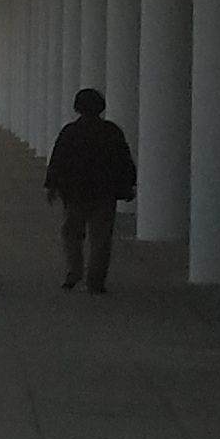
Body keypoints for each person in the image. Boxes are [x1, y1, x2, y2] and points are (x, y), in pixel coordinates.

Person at [44, 85, 139, 292]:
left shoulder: (71, 132)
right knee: (101, 239)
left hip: (75, 193)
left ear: (77, 107)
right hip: (104, 193)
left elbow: (58, 160)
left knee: (71, 235)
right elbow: (124, 161)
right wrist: (128, 186)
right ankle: (95, 281)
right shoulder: (111, 132)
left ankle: (74, 271)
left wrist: (52, 186)